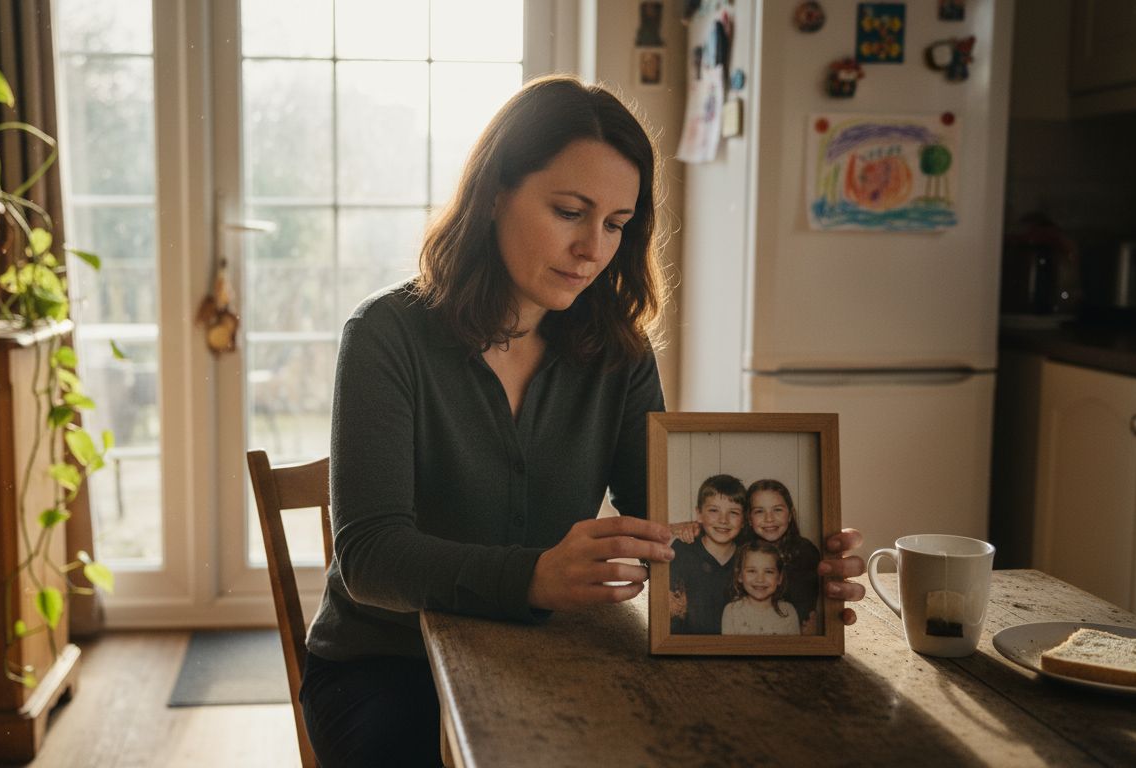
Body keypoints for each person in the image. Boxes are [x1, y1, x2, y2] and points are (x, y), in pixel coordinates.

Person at [299, 75, 867, 768]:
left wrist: (796, 565)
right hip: (387, 667)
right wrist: (534, 576)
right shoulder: (386, 336)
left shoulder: (619, 354)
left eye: (616, 226)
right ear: (495, 192)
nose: (594, 249)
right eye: (570, 211)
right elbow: (370, 558)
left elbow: (662, 522)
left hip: (552, 651)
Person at [669, 473, 746, 635]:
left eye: (733, 512)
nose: (723, 520)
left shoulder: (749, 557)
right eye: (713, 510)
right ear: (699, 514)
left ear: (744, 519)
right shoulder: (682, 551)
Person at [747, 478, 823, 634]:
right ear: (749, 519)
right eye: (759, 511)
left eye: (777, 510)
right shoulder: (742, 553)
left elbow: (807, 610)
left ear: (790, 514)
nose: (769, 518)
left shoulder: (806, 553)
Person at [721, 539, 801, 636]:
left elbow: (794, 649)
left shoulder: (788, 611)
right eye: (752, 571)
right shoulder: (732, 611)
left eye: (768, 572)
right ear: (740, 575)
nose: (760, 579)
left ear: (779, 578)